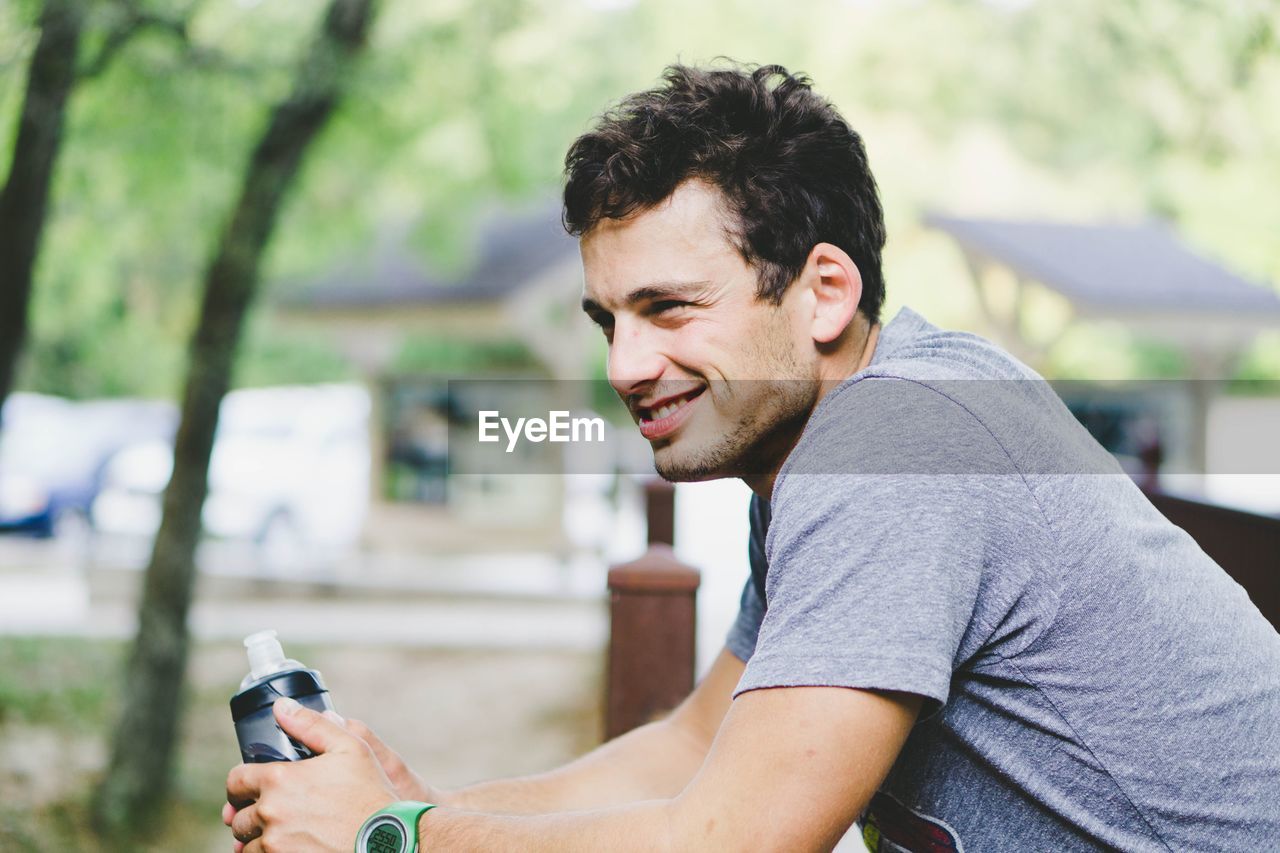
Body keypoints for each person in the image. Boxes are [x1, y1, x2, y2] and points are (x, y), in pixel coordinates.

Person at [224, 63, 1280, 852]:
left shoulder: (898, 444)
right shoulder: (828, 452)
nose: (628, 365)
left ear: (823, 292)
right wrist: (428, 806)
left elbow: (738, 838)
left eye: (669, 308)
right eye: (606, 321)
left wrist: (395, 835)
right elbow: (692, 747)